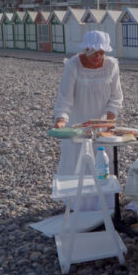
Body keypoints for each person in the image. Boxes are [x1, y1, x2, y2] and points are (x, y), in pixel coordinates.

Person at [53, 30, 123, 182]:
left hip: (102, 125)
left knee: (102, 161)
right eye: (94, 53)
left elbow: (116, 97)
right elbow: (65, 97)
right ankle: (77, 203)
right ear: (86, 50)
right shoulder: (73, 65)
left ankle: (105, 201)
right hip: (78, 123)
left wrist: (109, 119)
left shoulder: (111, 65)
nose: (98, 57)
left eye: (101, 52)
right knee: (77, 161)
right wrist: (61, 119)